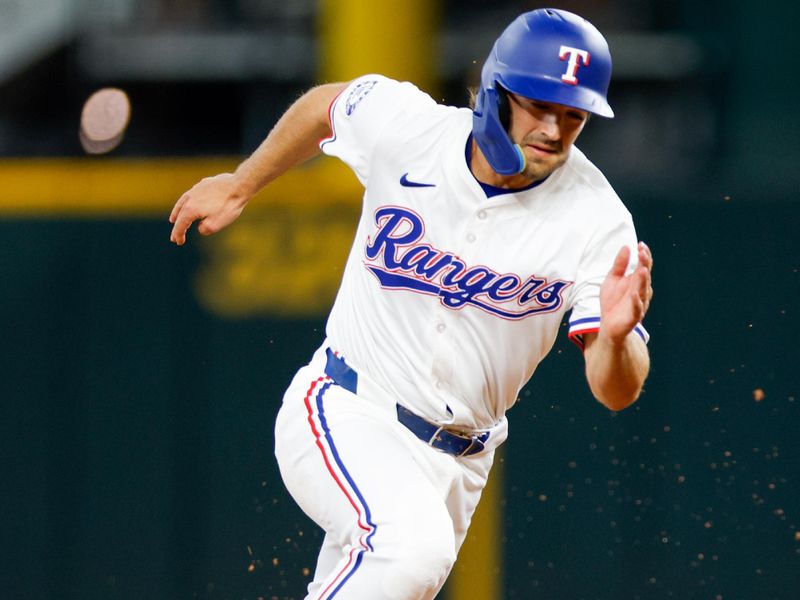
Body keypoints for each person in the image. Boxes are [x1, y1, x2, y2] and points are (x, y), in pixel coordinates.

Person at [169, 8, 653, 599]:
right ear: (496, 90)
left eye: (573, 114)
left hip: (460, 462)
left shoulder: (598, 221)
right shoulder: (410, 125)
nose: (554, 128)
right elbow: (327, 103)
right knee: (409, 550)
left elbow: (615, 390)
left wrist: (617, 337)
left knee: (394, 573)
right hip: (348, 406)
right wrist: (243, 182)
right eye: (539, 105)